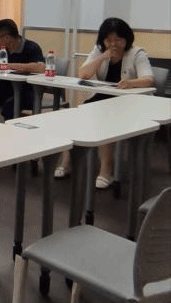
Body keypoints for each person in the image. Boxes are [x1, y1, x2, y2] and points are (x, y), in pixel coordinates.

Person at [56, 17, 155, 189]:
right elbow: (83, 74)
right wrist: (102, 57)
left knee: (106, 119)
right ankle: (66, 163)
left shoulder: (137, 53)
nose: (113, 44)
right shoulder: (99, 51)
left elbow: (149, 79)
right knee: (74, 115)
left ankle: (106, 170)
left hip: (130, 103)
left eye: (118, 39)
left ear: (127, 39)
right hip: (103, 97)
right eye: (108, 40)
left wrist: (131, 83)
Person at [0, 18, 44, 123]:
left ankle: (12, 132)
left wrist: (8, 66)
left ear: (7, 38)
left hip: (27, 91)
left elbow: (41, 67)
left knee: (9, 107)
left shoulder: (31, 47)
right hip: (4, 87)